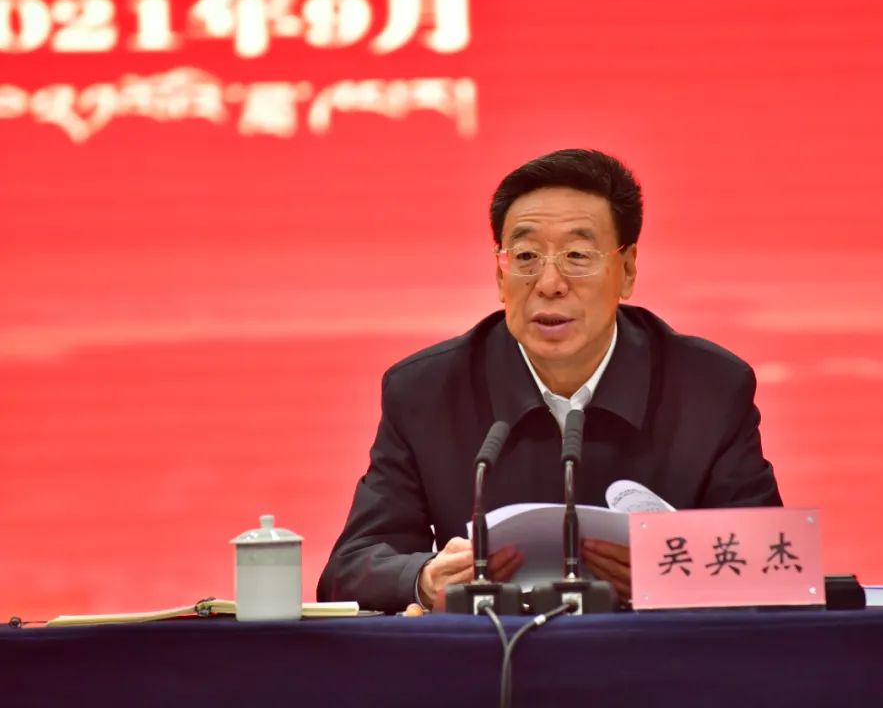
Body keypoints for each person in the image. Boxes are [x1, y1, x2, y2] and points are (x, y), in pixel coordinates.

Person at [317, 148, 781, 613]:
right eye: (525, 256)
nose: (549, 283)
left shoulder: (710, 389)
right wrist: (423, 579)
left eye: (577, 255)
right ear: (499, 276)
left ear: (628, 269)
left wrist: (673, 570)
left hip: (654, 654)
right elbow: (349, 570)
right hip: (492, 653)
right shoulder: (426, 392)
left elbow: (776, 567)